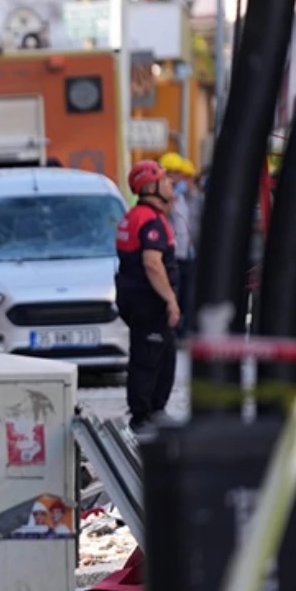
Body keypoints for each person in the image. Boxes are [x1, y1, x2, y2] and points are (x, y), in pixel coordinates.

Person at [115, 160, 180, 433]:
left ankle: (155, 409)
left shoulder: (135, 216)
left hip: (135, 299)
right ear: (151, 186)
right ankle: (143, 416)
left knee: (164, 354)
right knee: (149, 356)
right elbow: (152, 263)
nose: (171, 185)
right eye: (165, 180)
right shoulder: (149, 220)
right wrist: (170, 300)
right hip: (148, 301)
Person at [159, 152, 197, 337]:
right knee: (174, 294)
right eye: (173, 173)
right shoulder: (165, 196)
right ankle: (173, 331)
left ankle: (184, 330)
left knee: (187, 295)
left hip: (186, 253)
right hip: (172, 254)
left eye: (179, 174)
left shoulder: (184, 197)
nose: (177, 178)